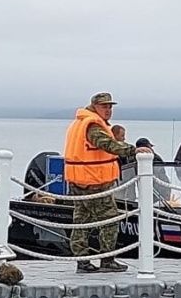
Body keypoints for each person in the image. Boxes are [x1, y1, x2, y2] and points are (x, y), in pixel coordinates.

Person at [63, 92, 151, 273]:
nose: (109, 110)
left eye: (110, 107)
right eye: (105, 106)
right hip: (94, 182)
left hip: (80, 181)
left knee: (81, 222)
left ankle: (82, 261)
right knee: (110, 220)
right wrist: (133, 150)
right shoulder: (93, 125)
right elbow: (108, 145)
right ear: (94, 106)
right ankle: (107, 260)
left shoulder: (79, 123)